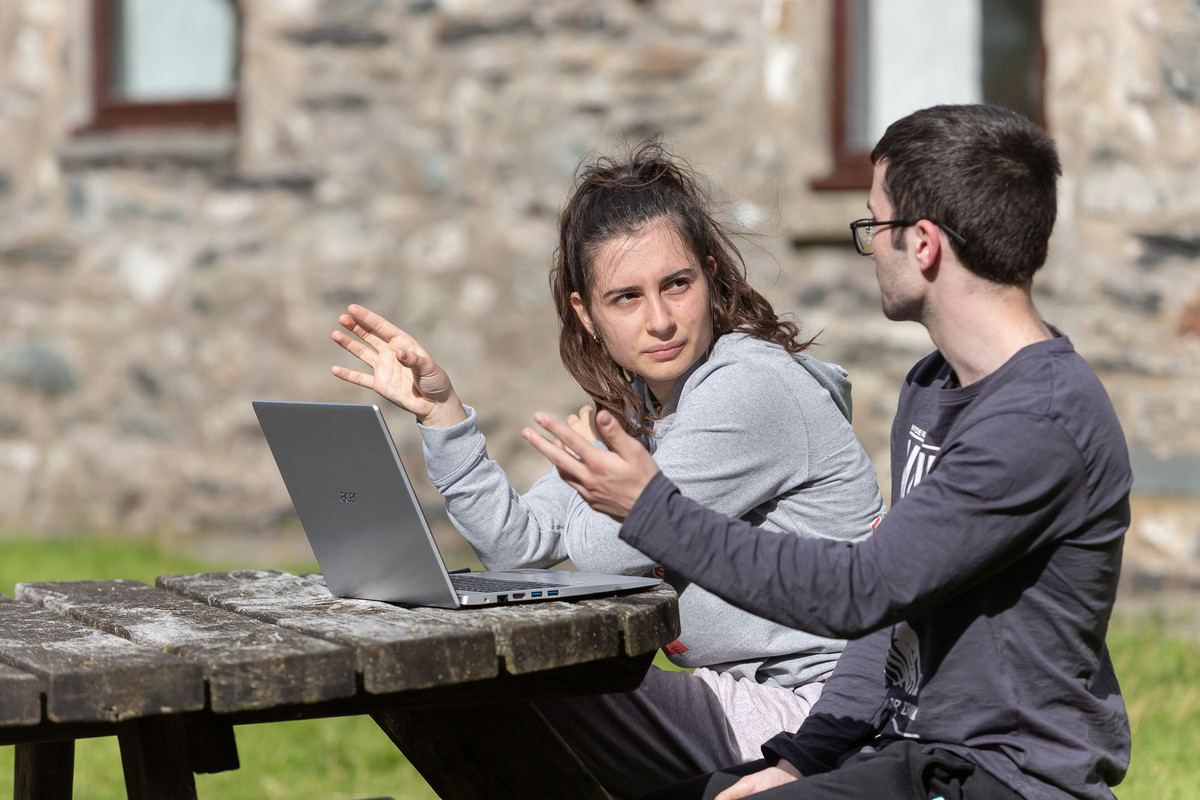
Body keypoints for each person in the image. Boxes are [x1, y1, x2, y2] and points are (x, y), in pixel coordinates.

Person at [525, 104, 1131, 800]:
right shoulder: (935, 388)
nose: (868, 244)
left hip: (1008, 780)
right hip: (912, 753)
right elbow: (893, 612)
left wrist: (652, 510)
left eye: (875, 224)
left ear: (925, 244)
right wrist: (799, 760)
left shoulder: (1038, 421)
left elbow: (857, 590)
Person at [330, 140, 887, 799]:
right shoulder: (643, 407)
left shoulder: (746, 390)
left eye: (677, 284)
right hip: (742, 694)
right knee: (475, 688)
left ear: (711, 277)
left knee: (501, 686)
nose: (660, 321)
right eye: (625, 298)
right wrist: (443, 414)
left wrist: (601, 466)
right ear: (584, 315)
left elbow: (609, 551)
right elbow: (518, 546)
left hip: (820, 712)